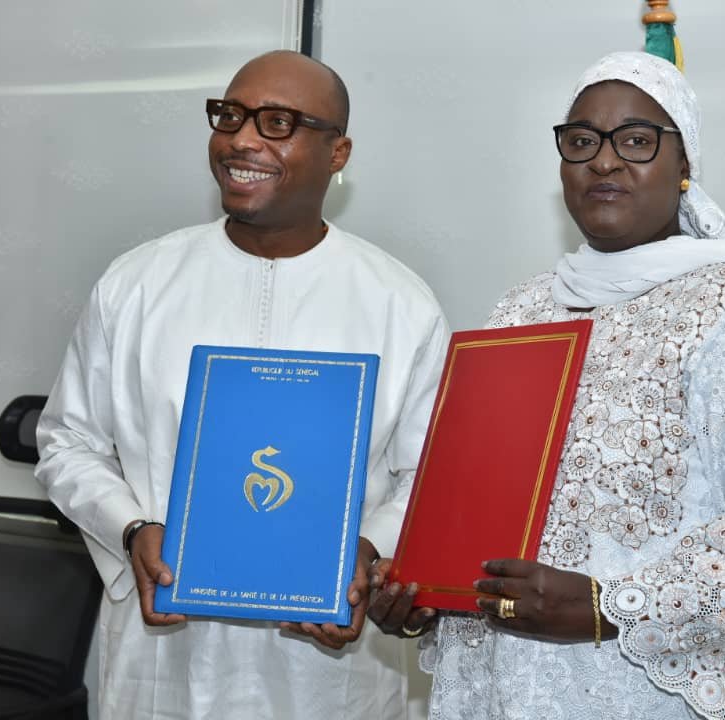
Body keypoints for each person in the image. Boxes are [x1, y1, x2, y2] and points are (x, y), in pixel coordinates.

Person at [368, 51, 725, 719]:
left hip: (645, 698)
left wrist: (611, 606)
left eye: (638, 140)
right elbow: (477, 502)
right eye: (582, 141)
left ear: (684, 165)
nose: (605, 161)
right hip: (500, 691)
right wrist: (430, 599)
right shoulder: (522, 312)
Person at [35, 50, 449, 719]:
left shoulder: (399, 304)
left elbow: (427, 475)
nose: (241, 139)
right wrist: (131, 526)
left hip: (325, 666)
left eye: (277, 122)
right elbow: (66, 442)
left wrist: (366, 556)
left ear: (337, 152)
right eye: (229, 115)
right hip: (164, 659)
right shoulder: (137, 284)